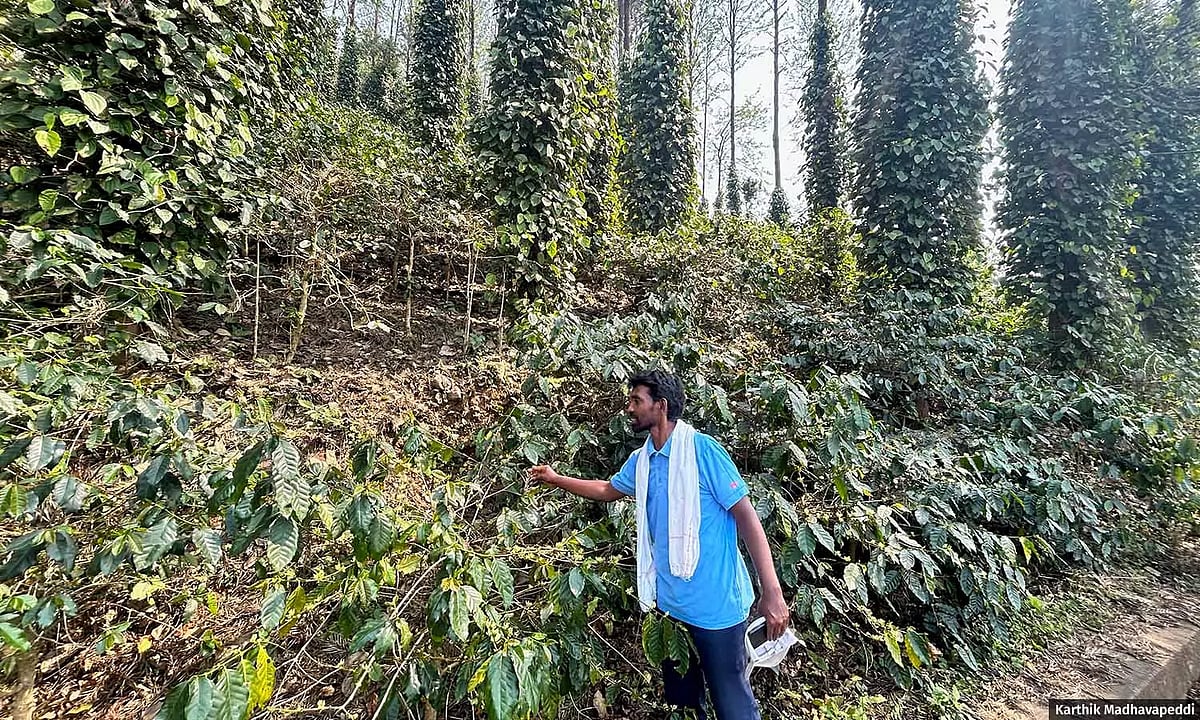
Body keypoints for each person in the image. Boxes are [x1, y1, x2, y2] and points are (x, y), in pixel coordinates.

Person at [528, 369, 790, 720]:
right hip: (670, 607)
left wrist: (771, 590)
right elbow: (608, 490)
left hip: (718, 609)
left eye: (637, 400)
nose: (629, 408)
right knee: (683, 704)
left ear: (661, 406)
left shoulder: (703, 452)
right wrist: (556, 479)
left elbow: (747, 518)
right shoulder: (643, 461)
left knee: (733, 705)